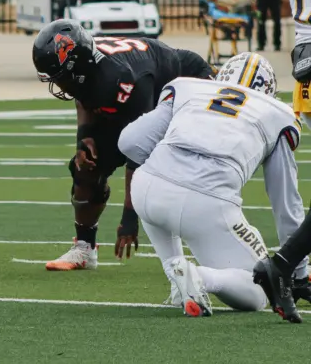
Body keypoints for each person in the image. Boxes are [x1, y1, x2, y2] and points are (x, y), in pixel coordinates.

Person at [117, 53, 306, 317]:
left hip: (146, 188)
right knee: (261, 289)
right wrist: (299, 272)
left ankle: (178, 280)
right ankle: (199, 278)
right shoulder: (278, 114)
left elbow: (129, 142)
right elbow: (285, 202)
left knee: (159, 197)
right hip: (205, 202)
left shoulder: (188, 87)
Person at [31, 19, 214, 271]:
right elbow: (82, 95)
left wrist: (129, 219)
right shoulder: (87, 66)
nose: (57, 85)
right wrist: (84, 138)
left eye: (60, 77)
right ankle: (84, 249)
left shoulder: (122, 78)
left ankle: (212, 248)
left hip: (186, 87)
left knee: (181, 172)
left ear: (78, 67)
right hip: (139, 97)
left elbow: (140, 149)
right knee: (86, 167)